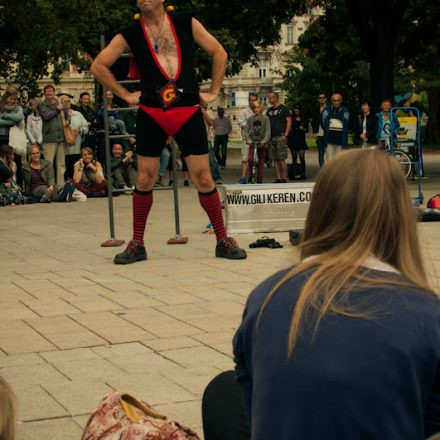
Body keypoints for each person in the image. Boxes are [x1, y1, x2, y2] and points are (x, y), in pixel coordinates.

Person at [203, 149, 440, 440]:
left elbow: (257, 406)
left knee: (224, 391)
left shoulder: (266, 296)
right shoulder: (426, 312)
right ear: (400, 219)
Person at [90, 0, 246, 264]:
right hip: (152, 111)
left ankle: (222, 238)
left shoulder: (186, 21)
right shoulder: (131, 32)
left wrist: (214, 91)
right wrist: (126, 95)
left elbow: (219, 53)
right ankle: (137, 242)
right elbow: (98, 65)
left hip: (187, 110)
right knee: (144, 178)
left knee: (204, 178)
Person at [38, 84, 66, 186]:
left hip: (61, 137)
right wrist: (57, 109)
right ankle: (49, 187)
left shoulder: (59, 103)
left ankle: (60, 187)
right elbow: (46, 116)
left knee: (61, 164)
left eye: (51, 91)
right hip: (49, 138)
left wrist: (68, 120)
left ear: (54, 92)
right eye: (47, 91)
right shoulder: (41, 105)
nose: (49, 93)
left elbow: (67, 114)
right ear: (44, 93)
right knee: (48, 163)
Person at [0, 88, 25, 187]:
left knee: (17, 162)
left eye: (14, 99)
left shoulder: (19, 109)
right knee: (2, 163)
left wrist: (5, 116)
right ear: (6, 98)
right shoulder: (1, 107)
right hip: (2, 138)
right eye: (10, 98)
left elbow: (19, 118)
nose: (12, 101)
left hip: (14, 140)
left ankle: (18, 187)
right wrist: (12, 120)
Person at [59, 95, 89, 179]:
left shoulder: (78, 114)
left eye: (68, 101)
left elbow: (86, 127)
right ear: (60, 103)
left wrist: (80, 130)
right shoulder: (58, 115)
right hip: (63, 149)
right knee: (64, 171)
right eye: (65, 101)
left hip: (77, 148)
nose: (67, 102)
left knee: (75, 170)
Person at [243, 101, 270, 184]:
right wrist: (248, 139)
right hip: (253, 143)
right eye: (254, 108)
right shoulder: (250, 119)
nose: (256, 109)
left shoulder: (265, 118)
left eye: (258, 107)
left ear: (261, 108)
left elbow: (268, 131)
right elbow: (246, 130)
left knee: (261, 162)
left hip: (262, 143)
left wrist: (265, 140)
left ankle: (259, 178)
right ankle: (251, 175)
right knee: (250, 159)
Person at [266, 91, 291, 183]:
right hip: (271, 137)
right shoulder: (269, 110)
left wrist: (286, 134)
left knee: (281, 158)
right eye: (268, 98)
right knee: (274, 159)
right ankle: (278, 177)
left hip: (281, 136)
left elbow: (288, 121)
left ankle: (284, 177)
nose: (269, 99)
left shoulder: (284, 109)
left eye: (271, 97)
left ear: (276, 97)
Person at [321, 92, 350, 161]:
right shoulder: (326, 110)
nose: (336, 102)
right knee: (329, 161)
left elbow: (346, 126)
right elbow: (323, 124)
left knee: (339, 161)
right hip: (329, 140)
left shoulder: (345, 111)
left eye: (338, 100)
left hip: (340, 141)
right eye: (334, 100)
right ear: (331, 101)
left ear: (341, 101)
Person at [237, 93, 258, 183]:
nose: (252, 102)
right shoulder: (244, 112)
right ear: (248, 101)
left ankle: (253, 176)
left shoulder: (258, 111)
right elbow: (240, 123)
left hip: (257, 139)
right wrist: (250, 125)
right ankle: (243, 177)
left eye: (254, 100)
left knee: (254, 160)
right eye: (251, 100)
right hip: (246, 139)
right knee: (245, 158)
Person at [288, 103, 308, 180]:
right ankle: (295, 174)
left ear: (300, 110)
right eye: (295, 109)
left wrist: (302, 128)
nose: (296, 110)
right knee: (294, 158)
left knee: (302, 157)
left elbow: (307, 130)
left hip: (301, 139)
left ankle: (303, 173)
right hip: (293, 139)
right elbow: (289, 128)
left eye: (297, 109)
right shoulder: (291, 118)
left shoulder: (304, 118)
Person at [311, 92, 327, 166]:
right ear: (318, 99)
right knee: (321, 152)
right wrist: (314, 132)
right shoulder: (315, 109)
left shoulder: (330, 108)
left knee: (329, 152)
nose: (322, 99)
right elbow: (313, 122)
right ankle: (322, 169)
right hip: (319, 133)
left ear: (326, 99)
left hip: (328, 133)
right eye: (320, 98)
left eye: (323, 97)